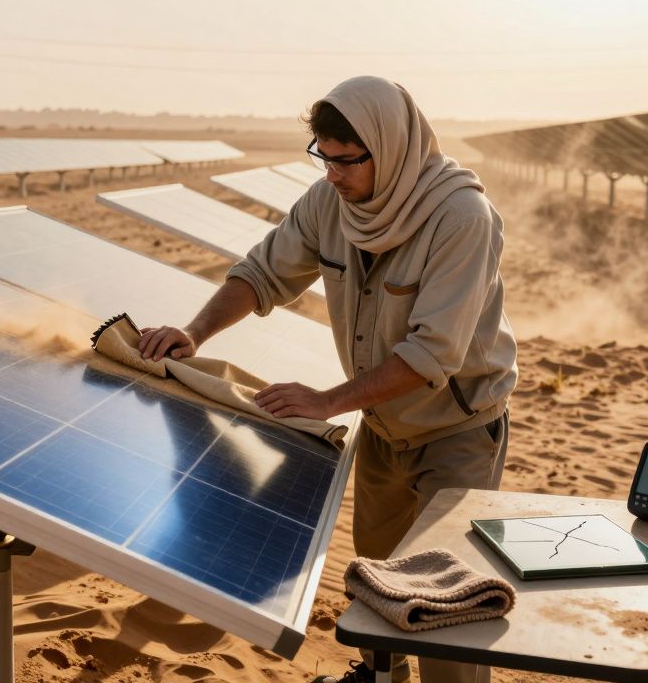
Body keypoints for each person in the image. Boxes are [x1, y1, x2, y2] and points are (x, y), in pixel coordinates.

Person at [138, 76, 517, 683]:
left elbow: (431, 354)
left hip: (458, 430)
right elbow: (262, 274)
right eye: (323, 157)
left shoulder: (461, 217)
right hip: (384, 424)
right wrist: (196, 333)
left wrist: (327, 401)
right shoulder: (328, 204)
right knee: (377, 576)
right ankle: (378, 678)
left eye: (346, 161)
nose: (332, 174)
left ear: (390, 151)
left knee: (445, 597)